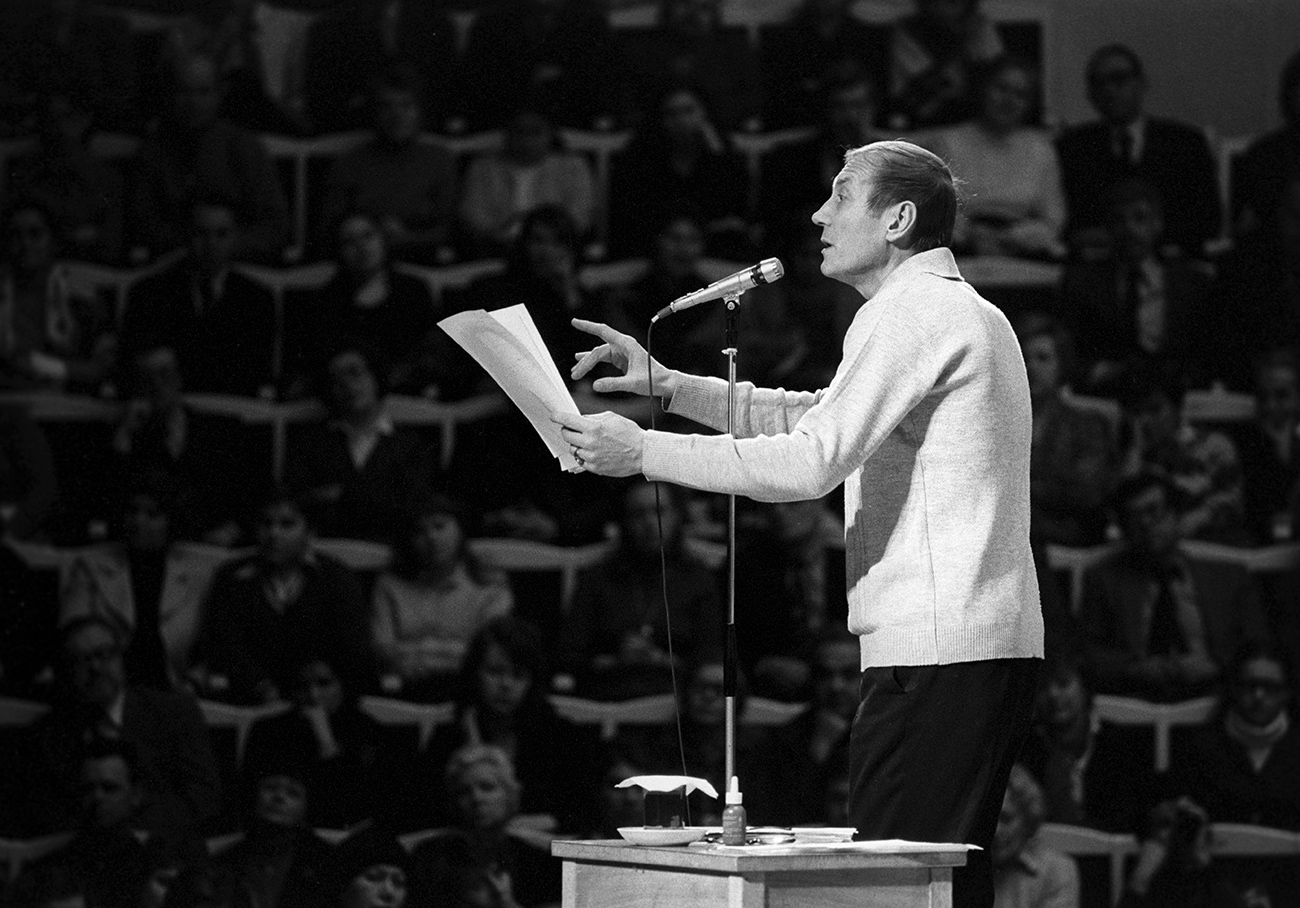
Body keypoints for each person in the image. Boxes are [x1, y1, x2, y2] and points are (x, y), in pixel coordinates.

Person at [553, 138, 1044, 908]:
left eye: (842, 194)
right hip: (953, 642)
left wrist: (644, 450)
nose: (819, 213)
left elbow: (809, 462)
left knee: (902, 889)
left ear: (898, 218)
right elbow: (819, 416)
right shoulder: (939, 310)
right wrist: (672, 387)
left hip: (943, 646)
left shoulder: (914, 313)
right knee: (935, 887)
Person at [18, 614, 223, 838]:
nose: (95, 667)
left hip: (162, 848)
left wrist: (128, 827)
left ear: (121, 657)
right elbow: (44, 813)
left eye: (103, 654)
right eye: (81, 660)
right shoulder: (49, 732)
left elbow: (204, 797)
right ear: (65, 671)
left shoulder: (174, 713)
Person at [1078, 470, 1267, 701]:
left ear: (1176, 515)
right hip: (1136, 702)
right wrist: (1134, 669)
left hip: (1216, 700)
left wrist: (1217, 664)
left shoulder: (1227, 577)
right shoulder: (1105, 580)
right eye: (1134, 517)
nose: (1146, 524)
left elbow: (1257, 643)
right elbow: (1088, 652)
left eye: (1154, 512)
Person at [418, 616, 606, 838]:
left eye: (518, 675)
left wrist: (526, 827)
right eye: (495, 672)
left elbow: (582, 810)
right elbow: (427, 810)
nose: (506, 684)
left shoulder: (558, 734)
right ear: (474, 674)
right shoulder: (450, 735)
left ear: (532, 682)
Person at [190, 490, 374, 704]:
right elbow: (222, 645)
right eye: (266, 524)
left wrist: (321, 686)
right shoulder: (232, 577)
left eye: (287, 525)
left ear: (310, 531)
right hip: (249, 697)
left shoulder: (336, 578)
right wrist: (259, 686)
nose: (274, 533)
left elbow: (352, 648)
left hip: (322, 700)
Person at [556, 478, 723, 698]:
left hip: (678, 701)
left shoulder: (697, 578)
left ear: (676, 515)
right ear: (624, 521)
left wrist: (662, 660)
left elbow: (711, 654)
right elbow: (568, 653)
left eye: (659, 511)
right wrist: (616, 659)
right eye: (638, 514)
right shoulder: (599, 577)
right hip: (607, 695)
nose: (650, 523)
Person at [59, 478, 228, 690]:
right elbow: (74, 635)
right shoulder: (90, 567)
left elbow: (211, 647)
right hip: (104, 690)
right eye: (132, 511)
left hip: (174, 691)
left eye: (152, 515)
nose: (138, 522)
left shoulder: (198, 574)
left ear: (171, 520)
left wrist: (193, 682)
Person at [1055, 44, 1221, 261]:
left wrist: (1137, 235)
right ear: (1090, 94)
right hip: (1096, 265)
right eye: (1098, 83)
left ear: (1142, 84)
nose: (1109, 90)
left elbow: (1209, 220)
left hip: (1173, 263)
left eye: (1119, 79)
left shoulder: (1184, 142)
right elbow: (1065, 222)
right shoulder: (1072, 147)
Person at [1056, 180, 1216, 397]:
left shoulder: (1190, 283)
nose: (1129, 229)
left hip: (1175, 394)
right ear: (1109, 228)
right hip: (1105, 394)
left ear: (1157, 223)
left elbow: (1206, 353)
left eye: (1139, 218)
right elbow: (1070, 352)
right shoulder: (1082, 283)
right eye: (1119, 220)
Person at [128, 49, 290, 263]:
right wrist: (191, 246)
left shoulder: (243, 147)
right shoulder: (153, 150)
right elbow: (143, 221)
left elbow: (275, 225)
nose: (193, 103)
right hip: (175, 267)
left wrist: (225, 248)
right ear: (170, 93)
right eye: (183, 92)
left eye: (203, 92)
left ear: (218, 93)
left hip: (239, 267)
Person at [118, 198, 277, 397]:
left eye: (221, 234)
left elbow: (253, 372)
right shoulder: (149, 293)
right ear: (186, 235)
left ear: (236, 237)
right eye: (201, 234)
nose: (211, 244)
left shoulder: (256, 299)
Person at [283, 346, 440, 544]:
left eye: (355, 373)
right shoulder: (312, 443)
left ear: (375, 376)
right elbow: (302, 501)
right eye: (336, 378)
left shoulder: (409, 444)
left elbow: (412, 507)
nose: (347, 384)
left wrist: (342, 495)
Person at [282, 212, 445, 400]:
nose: (361, 247)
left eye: (368, 235)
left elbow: (430, 353)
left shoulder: (413, 290)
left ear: (382, 239)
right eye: (349, 241)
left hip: (409, 395)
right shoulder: (326, 300)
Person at [921, 55, 1066, 260]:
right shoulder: (946, 143)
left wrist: (1011, 238)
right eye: (1001, 89)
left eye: (1020, 94)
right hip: (958, 250)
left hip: (1024, 252)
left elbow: (1053, 220)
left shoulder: (1041, 150)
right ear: (983, 90)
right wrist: (973, 236)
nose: (1009, 100)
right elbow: (934, 209)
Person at [370, 493, 513, 700]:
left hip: (469, 691)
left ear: (460, 529)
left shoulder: (490, 585)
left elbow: (486, 655)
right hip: (403, 689)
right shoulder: (390, 585)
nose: (431, 538)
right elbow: (382, 650)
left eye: (439, 526)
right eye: (420, 531)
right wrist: (454, 653)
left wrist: (417, 653)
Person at [4, 738, 175, 908]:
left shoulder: (156, 866)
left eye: (109, 788)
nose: (97, 797)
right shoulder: (50, 870)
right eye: (88, 789)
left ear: (136, 795)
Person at [316, 64, 458, 264]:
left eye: (406, 105)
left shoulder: (439, 160)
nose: (397, 115)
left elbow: (448, 229)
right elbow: (330, 230)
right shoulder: (349, 164)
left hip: (422, 261)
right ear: (374, 112)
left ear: (419, 111)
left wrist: (407, 239)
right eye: (386, 106)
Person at [407, 743, 562, 908]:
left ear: (509, 794)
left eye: (487, 787)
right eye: (464, 792)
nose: (476, 798)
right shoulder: (431, 857)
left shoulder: (535, 861)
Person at [1014, 311, 1118, 548]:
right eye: (1023, 358)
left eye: (1043, 358)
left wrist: (1024, 488)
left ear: (1061, 364)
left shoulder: (1086, 424)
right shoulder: (998, 424)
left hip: (1069, 529)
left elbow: (1086, 492)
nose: (1031, 367)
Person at [0, 198, 116, 392]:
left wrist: (46, 367)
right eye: (15, 236)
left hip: (67, 407)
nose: (25, 244)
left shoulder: (81, 296)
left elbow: (104, 368)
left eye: (35, 234)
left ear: (53, 240)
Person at [456, 108, 596, 258]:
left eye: (535, 132)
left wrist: (547, 239)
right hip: (496, 247)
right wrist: (500, 236)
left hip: (555, 248)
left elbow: (580, 214)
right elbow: (473, 214)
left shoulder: (573, 167)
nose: (527, 140)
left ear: (551, 135)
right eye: (520, 132)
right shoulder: (483, 168)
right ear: (507, 134)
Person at [886, 0, 1004, 130]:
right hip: (921, 121)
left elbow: (997, 75)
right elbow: (925, 84)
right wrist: (960, 42)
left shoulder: (980, 25)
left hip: (977, 123)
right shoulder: (909, 29)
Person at [1233, 347, 1300, 546]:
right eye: (1263, 397)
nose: (1270, 407)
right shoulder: (1250, 449)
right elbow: (1277, 533)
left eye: (1281, 396)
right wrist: (1280, 457)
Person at [989, 764, 1080, 908]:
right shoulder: (962, 866)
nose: (995, 831)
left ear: (1027, 818)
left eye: (1006, 819)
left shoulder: (1056, 870)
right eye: (988, 821)